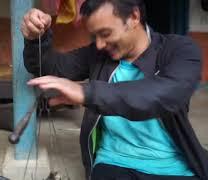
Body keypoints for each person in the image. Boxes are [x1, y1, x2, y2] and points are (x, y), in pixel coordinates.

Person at [21, 0, 208, 179]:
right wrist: (37, 39)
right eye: (95, 36)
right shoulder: (99, 54)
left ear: (134, 17)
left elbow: (165, 94)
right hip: (115, 163)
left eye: (106, 33)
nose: (100, 45)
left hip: (173, 167)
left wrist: (86, 92)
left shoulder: (179, 50)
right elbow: (50, 66)